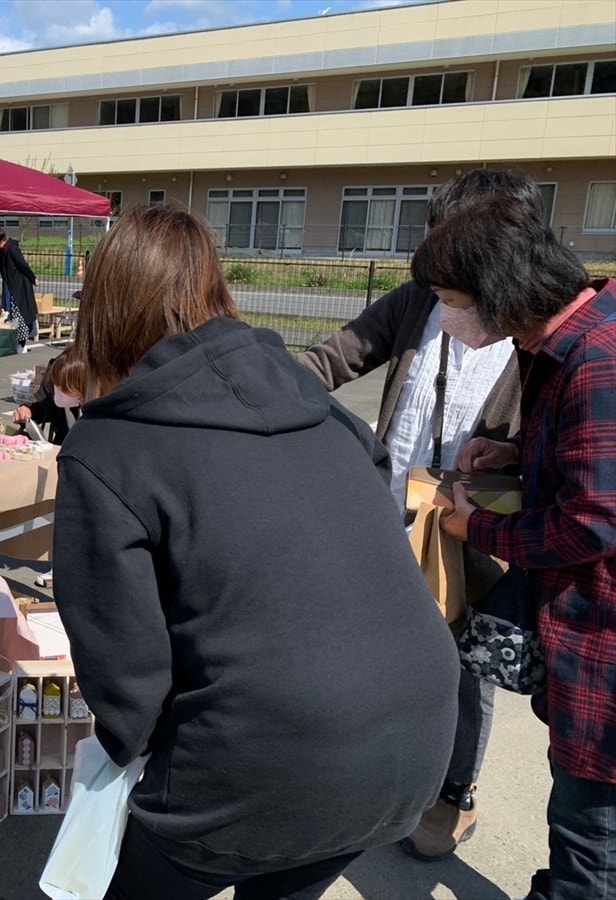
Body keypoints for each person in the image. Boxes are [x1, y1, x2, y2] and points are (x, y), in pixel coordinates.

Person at [52, 204, 459, 900]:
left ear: (105, 312)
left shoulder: (109, 450)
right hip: (413, 743)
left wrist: (125, 757)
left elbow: (127, 672)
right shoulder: (326, 411)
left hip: (263, 758)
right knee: (298, 856)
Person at [295, 167, 537, 862]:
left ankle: (454, 792)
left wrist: (510, 455)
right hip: (390, 514)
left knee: (465, 665)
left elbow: (557, 442)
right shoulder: (417, 301)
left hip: (475, 528)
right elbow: (335, 358)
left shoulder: (534, 327)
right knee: (377, 649)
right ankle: (382, 770)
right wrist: (259, 385)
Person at [417, 195, 616, 900]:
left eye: (451, 301)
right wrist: (514, 450)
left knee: (590, 825)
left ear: (497, 289)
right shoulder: (565, 342)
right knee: (584, 820)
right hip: (583, 631)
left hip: (601, 638)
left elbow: (593, 523)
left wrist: (480, 529)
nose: (445, 318)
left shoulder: (594, 360)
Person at [13, 351, 83, 590]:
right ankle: (61, 565)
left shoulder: (101, 400)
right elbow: (46, 406)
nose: (57, 392)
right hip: (64, 453)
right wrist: (29, 410)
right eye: (55, 387)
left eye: (64, 388)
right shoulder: (60, 391)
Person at [0, 224, 37, 352]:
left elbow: (23, 265)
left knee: (19, 314)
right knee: (11, 314)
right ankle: (15, 342)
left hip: (18, 286)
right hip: (10, 285)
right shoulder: (4, 250)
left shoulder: (12, 249)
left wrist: (32, 278)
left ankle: (22, 344)